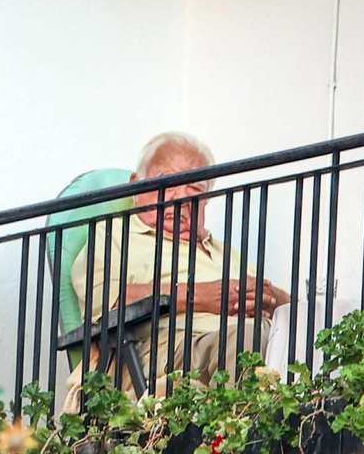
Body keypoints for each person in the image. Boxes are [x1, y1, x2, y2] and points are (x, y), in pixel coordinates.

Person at [69, 132, 290, 388]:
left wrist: (275, 299)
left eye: (194, 188)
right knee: (248, 338)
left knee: (308, 337)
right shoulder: (113, 234)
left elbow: (275, 305)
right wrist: (201, 297)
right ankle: (241, 424)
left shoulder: (224, 252)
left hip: (251, 341)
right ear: (135, 185)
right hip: (164, 351)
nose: (179, 197)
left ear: (206, 199)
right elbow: (106, 302)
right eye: (167, 182)